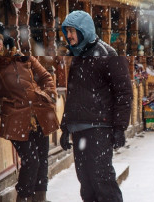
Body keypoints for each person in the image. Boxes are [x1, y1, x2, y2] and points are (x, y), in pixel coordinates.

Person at [0, 19, 59, 202]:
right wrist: (3, 105)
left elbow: (46, 77)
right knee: (31, 161)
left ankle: (40, 198)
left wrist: (48, 96)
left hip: (40, 113)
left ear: (5, 38)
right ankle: (23, 198)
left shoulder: (25, 58)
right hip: (16, 119)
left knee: (42, 159)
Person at [59, 10, 133, 201]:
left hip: (99, 128)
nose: (69, 36)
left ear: (84, 30)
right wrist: (65, 127)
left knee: (102, 181)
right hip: (79, 129)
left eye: (72, 31)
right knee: (86, 184)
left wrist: (119, 128)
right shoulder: (77, 56)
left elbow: (124, 93)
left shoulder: (108, 54)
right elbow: (73, 95)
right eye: (66, 31)